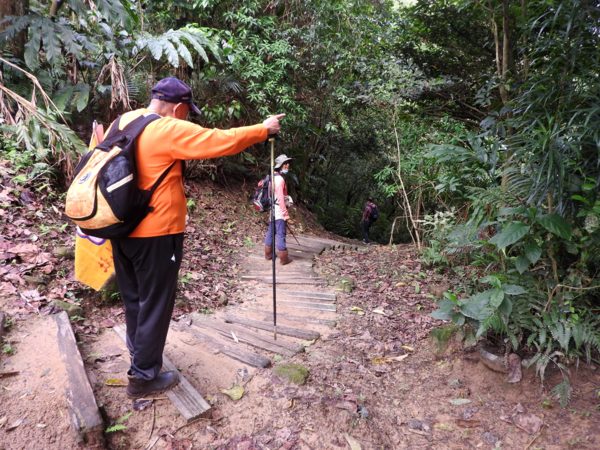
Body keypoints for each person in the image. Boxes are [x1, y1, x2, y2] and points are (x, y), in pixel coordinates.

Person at [109, 77, 284, 398]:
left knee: (135, 299)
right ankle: (143, 377)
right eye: (187, 112)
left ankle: (139, 357)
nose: (187, 117)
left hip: (121, 229)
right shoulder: (166, 128)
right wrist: (263, 129)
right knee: (156, 304)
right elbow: (219, 140)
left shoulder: (122, 122)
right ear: (178, 108)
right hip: (157, 234)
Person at [264, 154, 293, 265]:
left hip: (272, 209)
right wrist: (285, 214)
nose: (288, 165)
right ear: (281, 166)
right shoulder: (280, 180)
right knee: (281, 234)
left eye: (288, 163)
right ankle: (284, 259)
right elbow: (281, 198)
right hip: (279, 211)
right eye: (285, 164)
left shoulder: (272, 178)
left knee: (271, 232)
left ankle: (268, 254)